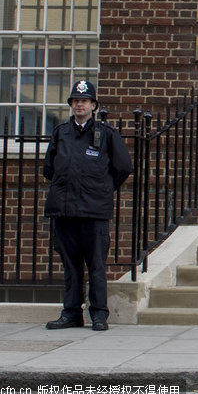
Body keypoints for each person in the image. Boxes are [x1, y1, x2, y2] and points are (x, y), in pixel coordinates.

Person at [43, 80, 133, 331]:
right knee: (70, 266)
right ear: (71, 105)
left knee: (96, 265)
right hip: (65, 209)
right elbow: (49, 168)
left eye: (84, 101)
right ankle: (71, 313)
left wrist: (101, 189)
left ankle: (99, 314)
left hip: (94, 211)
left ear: (93, 105)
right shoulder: (61, 132)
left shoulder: (106, 134)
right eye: (75, 101)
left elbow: (123, 167)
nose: (79, 105)